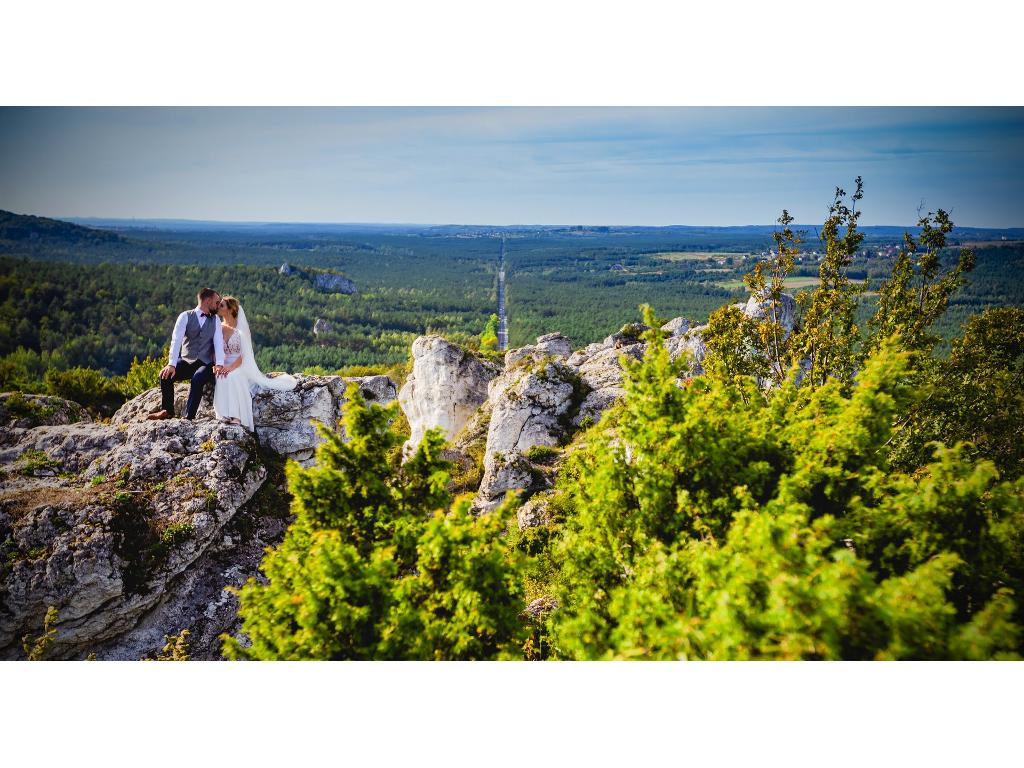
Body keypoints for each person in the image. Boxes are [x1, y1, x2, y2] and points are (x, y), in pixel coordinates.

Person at [213, 295, 297, 429]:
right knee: (221, 376)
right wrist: (218, 365)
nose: (218, 307)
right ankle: (224, 414)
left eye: (221, 305)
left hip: (239, 364)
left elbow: (243, 355)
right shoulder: (218, 326)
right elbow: (215, 349)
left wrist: (230, 367)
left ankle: (237, 416)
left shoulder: (240, 329)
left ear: (229, 310)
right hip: (222, 363)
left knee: (233, 376)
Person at [148, 288, 224, 421]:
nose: (218, 306)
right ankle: (167, 411)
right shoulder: (185, 316)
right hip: (186, 360)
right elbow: (176, 340)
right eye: (217, 302)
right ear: (208, 300)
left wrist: (219, 364)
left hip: (205, 363)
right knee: (165, 375)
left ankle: (189, 416)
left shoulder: (216, 320)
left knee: (198, 378)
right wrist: (171, 364)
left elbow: (218, 343)